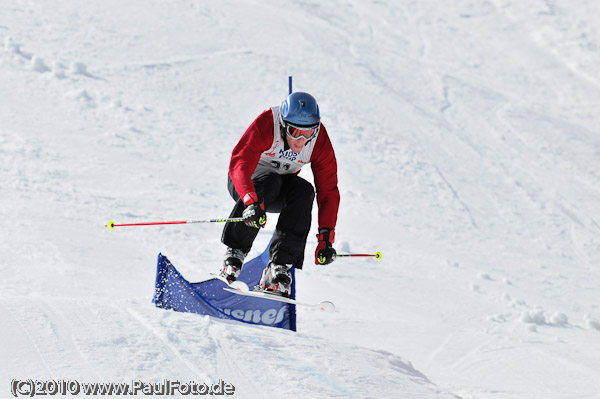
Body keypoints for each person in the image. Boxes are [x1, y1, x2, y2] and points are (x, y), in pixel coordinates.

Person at [219, 91, 340, 297]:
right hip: (247, 187)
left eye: (308, 133)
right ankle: (235, 253)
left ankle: (278, 267)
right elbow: (240, 163)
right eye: (295, 131)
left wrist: (326, 239)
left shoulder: (319, 141)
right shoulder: (268, 123)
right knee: (270, 179)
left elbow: (328, 190)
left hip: (276, 191)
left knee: (304, 191)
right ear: (284, 125)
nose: (301, 140)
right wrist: (250, 201)